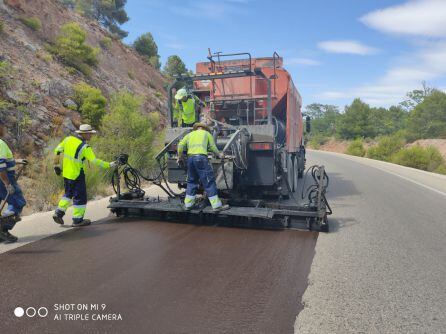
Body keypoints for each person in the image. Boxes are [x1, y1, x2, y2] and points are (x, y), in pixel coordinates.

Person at [52, 124, 117, 227]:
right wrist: (109, 165)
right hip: (77, 175)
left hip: (67, 173)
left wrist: (56, 165)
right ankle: (77, 220)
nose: (91, 136)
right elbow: (95, 161)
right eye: (90, 134)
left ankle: (58, 213)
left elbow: (57, 150)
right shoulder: (84, 147)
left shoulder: (68, 139)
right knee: (80, 197)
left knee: (68, 194)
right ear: (85, 134)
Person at [177, 122, 229, 212]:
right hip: (201, 159)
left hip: (190, 159)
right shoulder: (206, 134)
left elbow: (180, 146)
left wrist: (180, 157)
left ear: (197, 128)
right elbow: (212, 147)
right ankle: (216, 206)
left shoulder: (189, 134)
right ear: (204, 128)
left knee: (191, 181)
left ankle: (188, 204)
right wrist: (219, 154)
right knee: (209, 181)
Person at [0, 118, 26, 243]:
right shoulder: (0, 143)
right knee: (17, 203)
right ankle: (3, 230)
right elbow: (0, 167)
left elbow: (3, 160)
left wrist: (17, 161)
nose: (4, 129)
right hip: (3, 179)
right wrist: (7, 184)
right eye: (2, 126)